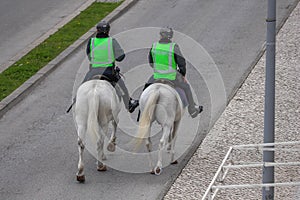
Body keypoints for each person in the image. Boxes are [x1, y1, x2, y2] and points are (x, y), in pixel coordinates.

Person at [144, 27, 203, 118]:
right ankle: (192, 109)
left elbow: (151, 63)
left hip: (157, 77)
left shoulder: (154, 46)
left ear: (160, 35)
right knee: (186, 87)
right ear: (170, 37)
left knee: (146, 88)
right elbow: (182, 63)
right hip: (172, 77)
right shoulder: (173, 47)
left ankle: (142, 112)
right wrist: (182, 74)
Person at [83, 21, 139, 113]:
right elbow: (121, 57)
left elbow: (89, 56)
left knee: (82, 87)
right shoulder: (111, 41)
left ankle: (76, 101)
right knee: (122, 86)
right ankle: (129, 103)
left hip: (93, 71)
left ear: (97, 30)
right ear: (108, 31)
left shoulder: (91, 41)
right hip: (108, 72)